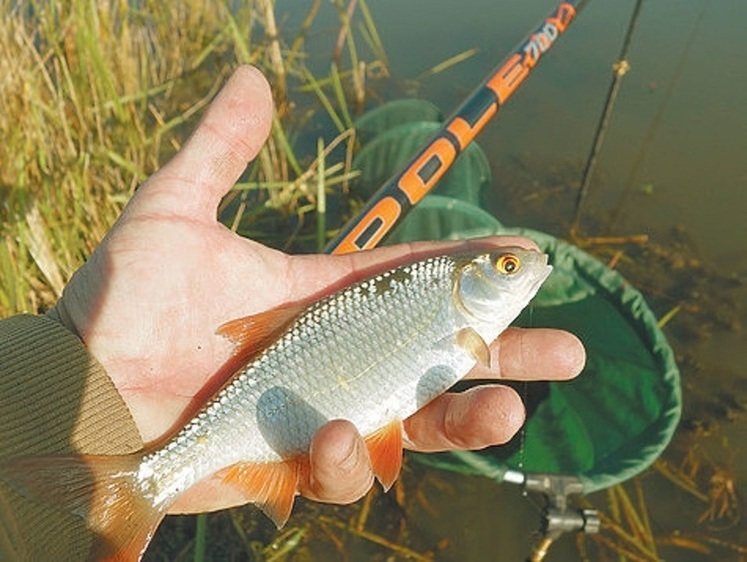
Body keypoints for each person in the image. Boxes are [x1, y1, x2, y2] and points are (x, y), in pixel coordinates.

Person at [0, 65, 585, 560]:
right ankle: (139, 487)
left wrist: (60, 379)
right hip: (201, 414)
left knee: (366, 444)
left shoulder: (458, 317)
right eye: (506, 269)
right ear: (466, 287)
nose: (521, 269)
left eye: (507, 269)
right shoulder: (452, 312)